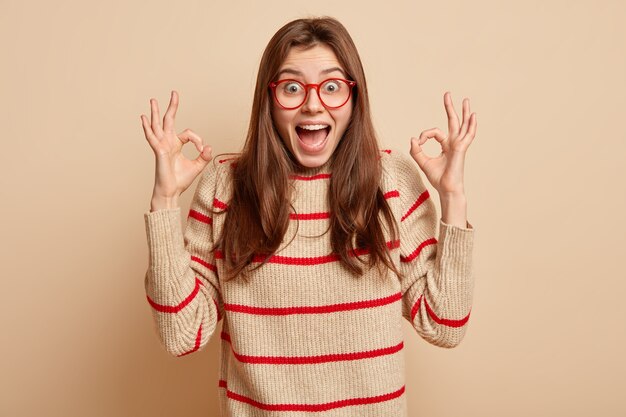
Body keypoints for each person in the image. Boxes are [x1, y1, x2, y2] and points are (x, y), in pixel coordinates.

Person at [140, 16, 477, 417]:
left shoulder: (392, 181)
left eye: (332, 87)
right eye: (292, 87)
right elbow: (182, 335)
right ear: (269, 98)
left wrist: (452, 197)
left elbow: (444, 325)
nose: (313, 103)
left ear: (354, 99)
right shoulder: (225, 185)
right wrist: (164, 200)